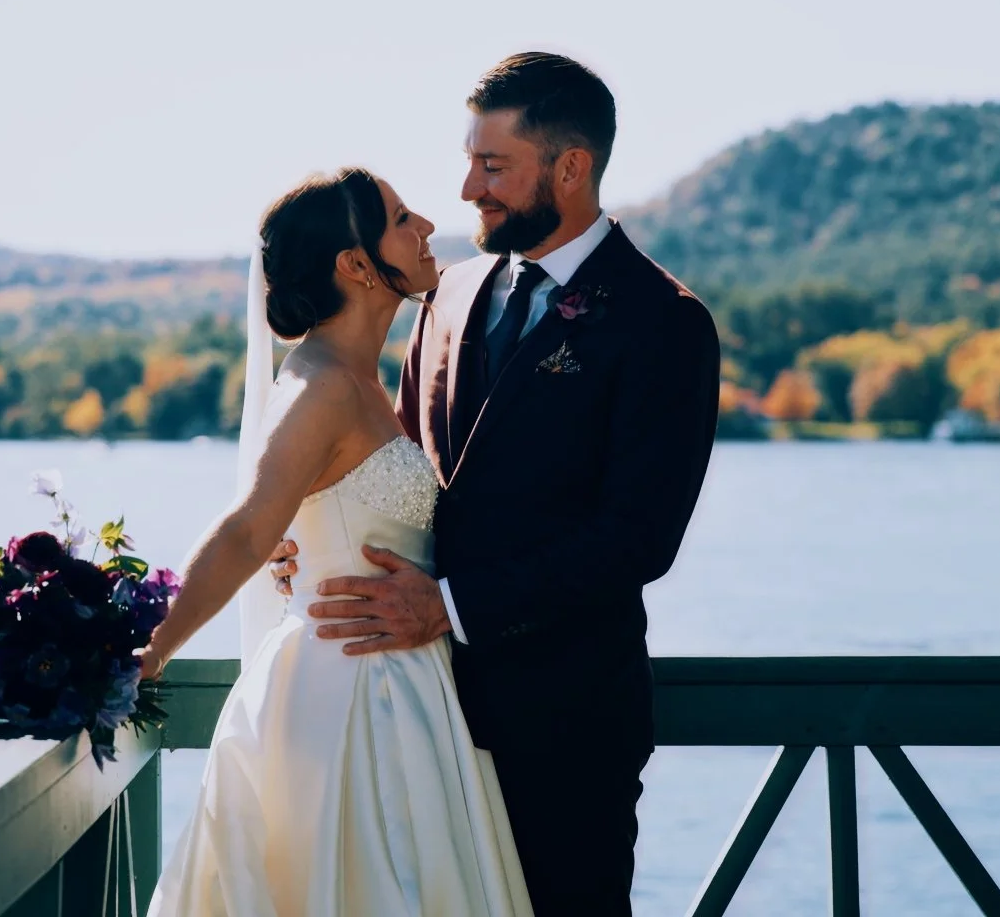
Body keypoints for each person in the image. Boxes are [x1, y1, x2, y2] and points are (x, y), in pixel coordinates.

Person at [273, 53, 722, 915]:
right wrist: (311, 537)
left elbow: (638, 536)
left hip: (566, 721)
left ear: (571, 167)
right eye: (470, 159)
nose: (470, 188)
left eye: (494, 166)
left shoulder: (662, 321)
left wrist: (451, 606)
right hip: (411, 711)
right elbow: (393, 465)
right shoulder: (446, 297)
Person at [140, 166, 532, 916]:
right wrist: (153, 649)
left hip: (409, 684)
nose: (424, 225)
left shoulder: (364, 380)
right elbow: (248, 528)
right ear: (355, 264)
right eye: (398, 218)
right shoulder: (321, 386)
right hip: (351, 694)